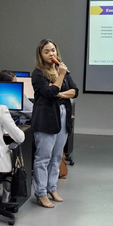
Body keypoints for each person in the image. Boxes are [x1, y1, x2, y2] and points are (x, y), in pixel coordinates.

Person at [31, 38, 78, 208]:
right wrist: (61, 77)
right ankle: (41, 193)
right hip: (46, 119)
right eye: (47, 51)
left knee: (57, 156)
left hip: (63, 116)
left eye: (53, 50)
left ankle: (52, 188)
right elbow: (49, 91)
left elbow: (74, 91)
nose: (51, 54)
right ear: (41, 55)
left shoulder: (62, 68)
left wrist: (58, 93)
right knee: (43, 158)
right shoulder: (37, 74)